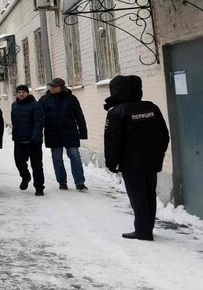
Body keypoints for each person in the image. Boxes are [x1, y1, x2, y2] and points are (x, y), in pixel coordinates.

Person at [104, 75, 170, 241]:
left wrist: (111, 163)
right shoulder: (151, 108)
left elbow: (113, 141)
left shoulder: (117, 113)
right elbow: (164, 135)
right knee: (149, 195)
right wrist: (159, 154)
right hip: (151, 161)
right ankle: (147, 227)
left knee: (137, 197)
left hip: (131, 163)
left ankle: (142, 231)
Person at [39, 77, 88, 190]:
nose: (52, 88)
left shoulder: (71, 99)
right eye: (51, 86)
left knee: (75, 156)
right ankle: (62, 181)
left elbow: (79, 116)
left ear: (61, 87)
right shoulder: (44, 100)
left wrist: (83, 132)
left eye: (54, 86)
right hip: (52, 133)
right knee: (57, 159)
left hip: (69, 132)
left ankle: (80, 182)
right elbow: (39, 118)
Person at [11, 84, 46, 195]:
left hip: (33, 141)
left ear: (27, 93)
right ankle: (25, 177)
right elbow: (14, 122)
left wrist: (36, 137)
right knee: (19, 162)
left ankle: (39, 187)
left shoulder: (36, 105)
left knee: (36, 165)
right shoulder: (14, 105)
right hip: (19, 140)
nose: (21, 94)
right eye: (19, 92)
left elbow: (39, 122)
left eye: (23, 92)